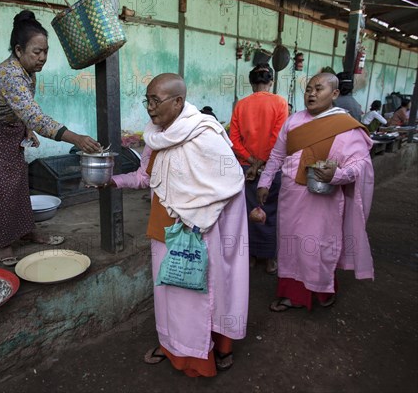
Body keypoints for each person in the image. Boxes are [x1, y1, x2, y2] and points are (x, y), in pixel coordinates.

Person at [110, 73, 248, 377]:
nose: (149, 107)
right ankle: (174, 346)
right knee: (171, 296)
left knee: (206, 294)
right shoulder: (156, 136)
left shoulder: (205, 135)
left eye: (156, 100)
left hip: (201, 232)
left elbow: (231, 184)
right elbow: (145, 178)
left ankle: (213, 349)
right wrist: (111, 181)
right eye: (147, 100)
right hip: (164, 229)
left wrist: (200, 218)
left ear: (178, 102)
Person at [0, 10, 101, 266]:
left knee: (17, 182)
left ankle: (26, 231)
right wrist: (76, 138)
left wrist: (25, 127)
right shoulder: (10, 75)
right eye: (37, 52)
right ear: (18, 50)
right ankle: (3, 242)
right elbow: (35, 116)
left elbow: (22, 109)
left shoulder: (27, 70)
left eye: (45, 51)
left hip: (5, 129)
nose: (42, 57)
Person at [257, 73, 374, 312]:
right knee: (290, 245)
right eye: (308, 89)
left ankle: (322, 290)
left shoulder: (346, 126)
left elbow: (359, 164)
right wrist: (265, 181)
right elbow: (277, 155)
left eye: (318, 89)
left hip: (324, 199)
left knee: (318, 246)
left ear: (334, 94)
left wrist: (337, 176)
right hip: (291, 194)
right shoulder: (293, 121)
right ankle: (291, 295)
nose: (311, 93)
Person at [228, 63, 288, 274]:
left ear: (252, 82)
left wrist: (252, 161)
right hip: (272, 168)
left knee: (249, 212)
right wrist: (263, 162)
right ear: (270, 81)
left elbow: (233, 140)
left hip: (246, 168)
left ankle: (252, 257)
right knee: (270, 212)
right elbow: (278, 139)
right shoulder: (280, 103)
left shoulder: (241, 105)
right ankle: (270, 259)